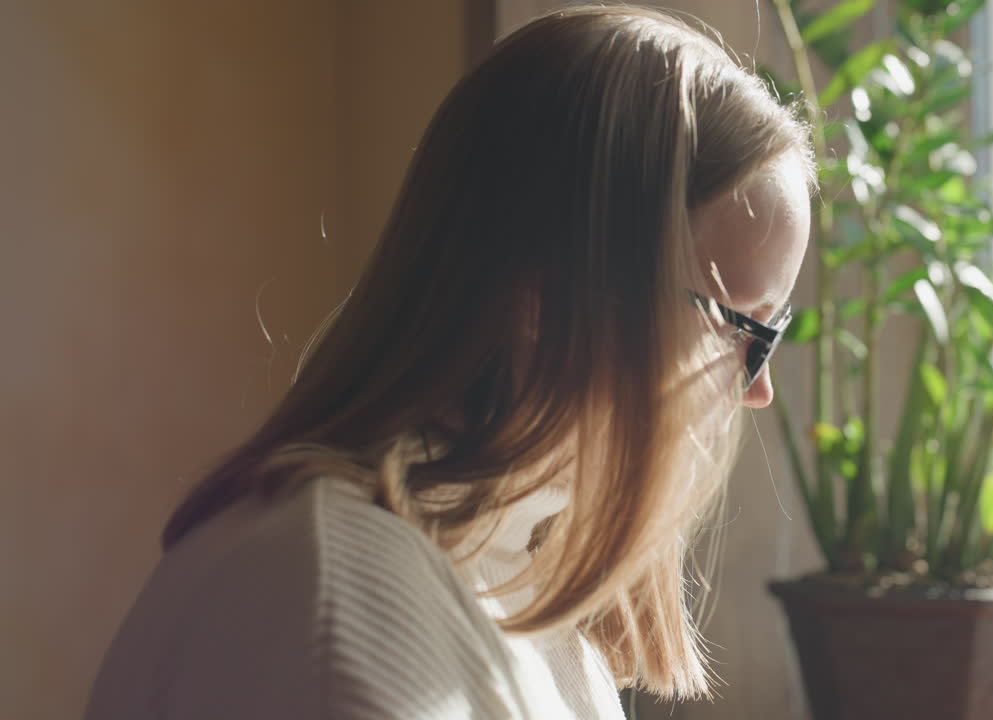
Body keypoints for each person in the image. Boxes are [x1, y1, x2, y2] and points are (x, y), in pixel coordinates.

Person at [84, 5, 812, 718]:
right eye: (738, 325)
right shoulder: (338, 610)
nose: (759, 389)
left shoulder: (519, 585)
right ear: (548, 292)